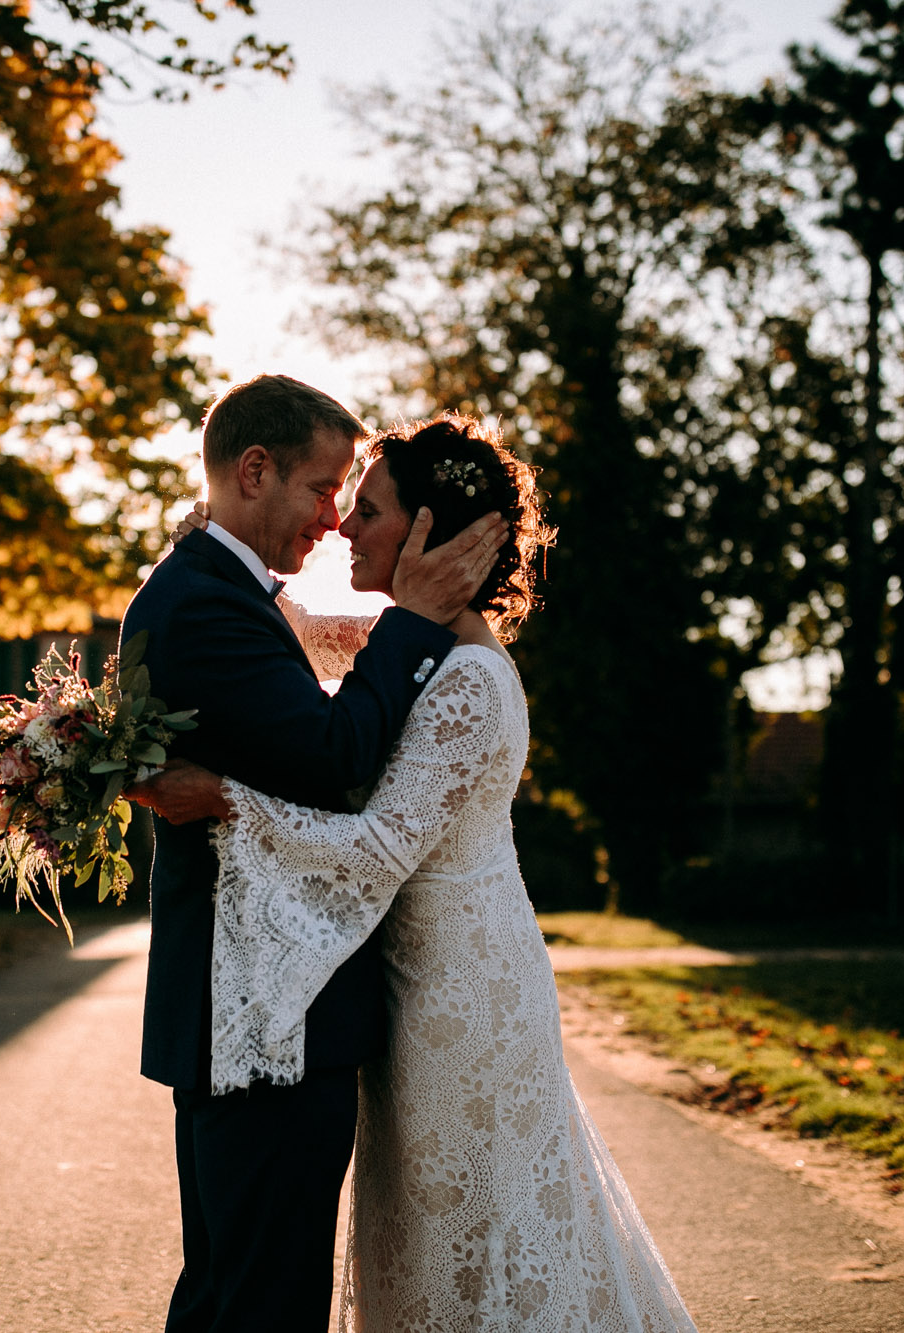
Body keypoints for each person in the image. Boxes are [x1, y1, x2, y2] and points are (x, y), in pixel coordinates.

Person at [131, 415, 699, 1333]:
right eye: (339, 502)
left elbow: (381, 846)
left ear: (427, 532)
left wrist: (226, 799)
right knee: (421, 1240)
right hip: (409, 988)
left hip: (460, 995)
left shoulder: (469, 679)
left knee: (477, 1236)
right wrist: (206, 544)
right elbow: (301, 639)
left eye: (367, 509)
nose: (344, 528)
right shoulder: (423, 647)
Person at [120, 375, 509, 1333]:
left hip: (259, 1009)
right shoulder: (205, 605)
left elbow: (320, 726)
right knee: (260, 1301)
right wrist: (416, 618)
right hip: (263, 1013)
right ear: (255, 470)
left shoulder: (222, 596)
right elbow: (337, 763)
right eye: (323, 488)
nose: (332, 520)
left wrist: (422, 621)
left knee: (232, 1294)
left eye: (352, 498)